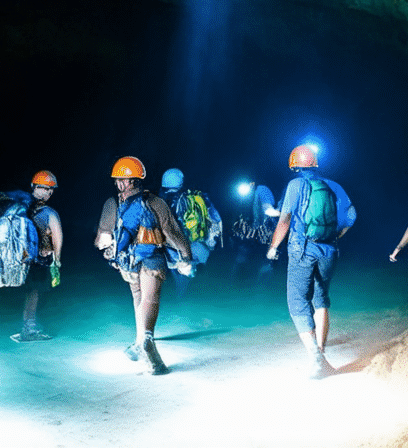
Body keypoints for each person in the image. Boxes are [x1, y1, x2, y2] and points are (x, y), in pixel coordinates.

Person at [94, 156, 193, 375]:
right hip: (152, 258)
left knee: (138, 297)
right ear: (139, 178)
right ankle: (148, 341)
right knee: (150, 298)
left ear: (120, 180)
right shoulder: (154, 202)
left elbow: (101, 238)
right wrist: (186, 254)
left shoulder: (112, 203)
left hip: (127, 261)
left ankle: (139, 341)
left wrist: (111, 252)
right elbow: (171, 232)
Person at [266, 144, 356, 378]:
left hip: (302, 249)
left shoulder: (295, 185)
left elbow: (284, 220)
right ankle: (321, 351)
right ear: (315, 164)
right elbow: (351, 217)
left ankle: (317, 360)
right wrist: (335, 236)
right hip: (329, 251)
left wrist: (274, 247)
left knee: (297, 301)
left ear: (294, 165)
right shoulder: (333, 185)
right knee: (320, 298)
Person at [13, 170, 64, 340]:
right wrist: (57, 261)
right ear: (35, 187)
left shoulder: (21, 208)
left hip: (22, 260)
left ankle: (28, 326)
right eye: (45, 188)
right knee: (35, 293)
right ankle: (30, 328)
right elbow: (57, 237)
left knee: (30, 293)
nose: (49, 193)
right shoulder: (49, 212)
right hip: (39, 261)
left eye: (51, 190)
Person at [159, 167, 222, 298]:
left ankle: (180, 307)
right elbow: (216, 220)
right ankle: (187, 304)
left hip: (177, 250)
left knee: (180, 282)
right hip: (200, 246)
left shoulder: (162, 201)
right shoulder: (199, 196)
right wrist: (211, 244)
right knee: (188, 280)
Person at [229, 181, 281, 282]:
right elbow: (237, 214)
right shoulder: (244, 195)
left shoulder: (262, 190)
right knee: (243, 258)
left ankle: (262, 290)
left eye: (251, 183)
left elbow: (268, 210)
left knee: (267, 262)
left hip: (267, 232)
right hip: (251, 233)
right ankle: (236, 285)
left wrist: (284, 215)